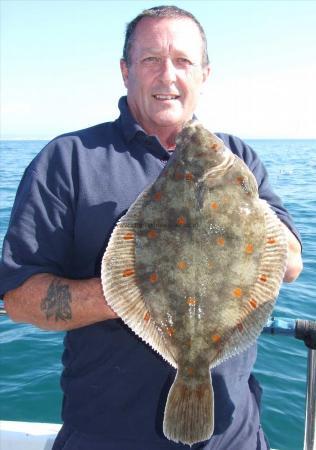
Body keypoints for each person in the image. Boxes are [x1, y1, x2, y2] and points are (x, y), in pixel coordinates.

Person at [1, 5, 302, 450]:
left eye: (182, 61)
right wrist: (129, 293)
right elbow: (19, 302)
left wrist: (250, 209)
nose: (167, 76)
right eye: (150, 60)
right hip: (105, 437)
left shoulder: (239, 156)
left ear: (204, 74)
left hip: (235, 437)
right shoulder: (68, 160)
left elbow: (291, 265)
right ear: (125, 72)